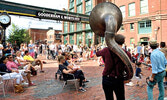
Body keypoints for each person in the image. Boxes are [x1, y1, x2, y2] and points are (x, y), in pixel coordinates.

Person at [96, 34, 131, 100]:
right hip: (119, 79)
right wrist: (127, 77)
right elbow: (128, 68)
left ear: (114, 41)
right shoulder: (127, 53)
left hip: (107, 78)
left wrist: (99, 47)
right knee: (120, 98)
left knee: (109, 98)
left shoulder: (106, 50)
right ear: (123, 42)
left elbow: (97, 54)